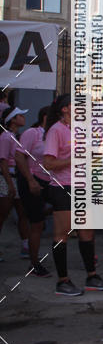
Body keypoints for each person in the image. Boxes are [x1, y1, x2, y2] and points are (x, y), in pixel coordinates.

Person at [43, 95, 103, 296]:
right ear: (65, 109)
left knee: (87, 233)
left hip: (85, 186)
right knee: (61, 234)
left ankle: (92, 276)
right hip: (63, 187)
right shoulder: (56, 130)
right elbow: (48, 164)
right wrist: (76, 158)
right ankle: (63, 281)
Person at [15, 106, 52, 277]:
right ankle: (34, 262)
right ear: (46, 117)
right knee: (36, 223)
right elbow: (19, 156)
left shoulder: (55, 134)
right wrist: (30, 180)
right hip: (32, 181)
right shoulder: (33, 133)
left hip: (50, 182)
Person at [0, 106, 31, 262]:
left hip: (16, 178)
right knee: (2, 215)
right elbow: (3, 162)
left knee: (22, 213)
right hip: (8, 179)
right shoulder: (6, 137)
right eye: (19, 115)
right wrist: (9, 184)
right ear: (12, 119)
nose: (23, 118)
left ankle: (26, 246)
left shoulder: (15, 136)